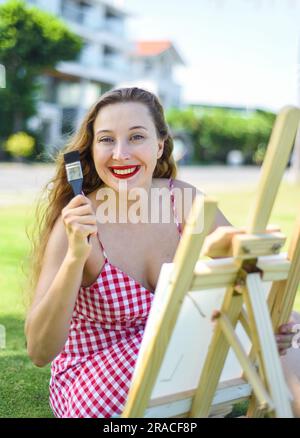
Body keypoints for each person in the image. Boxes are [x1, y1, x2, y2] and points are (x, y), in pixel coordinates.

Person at [25, 87, 300, 418]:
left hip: (174, 355)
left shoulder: (180, 201)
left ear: (160, 146)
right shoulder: (77, 221)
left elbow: (241, 268)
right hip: (97, 380)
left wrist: (265, 316)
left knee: (289, 325)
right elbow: (40, 351)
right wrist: (74, 258)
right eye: (107, 139)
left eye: (136, 137)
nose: (120, 153)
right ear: (93, 148)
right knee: (198, 337)